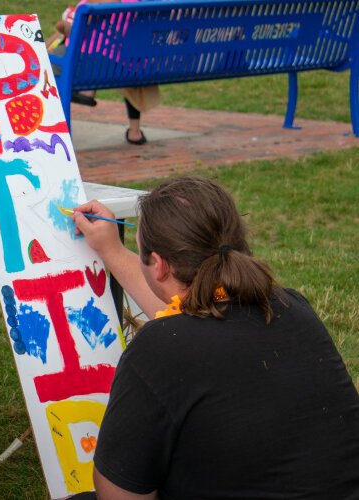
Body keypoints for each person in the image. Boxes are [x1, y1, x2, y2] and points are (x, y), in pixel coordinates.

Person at [73, 176, 359, 499]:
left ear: (160, 266)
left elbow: (119, 492)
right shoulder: (291, 306)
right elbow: (188, 321)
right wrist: (111, 249)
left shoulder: (157, 351)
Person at [50, 0, 160, 145]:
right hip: (130, 66)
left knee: (47, 63)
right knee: (119, 61)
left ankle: (54, 127)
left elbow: (77, 35)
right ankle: (135, 131)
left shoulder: (88, 5)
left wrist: (64, 28)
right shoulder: (142, 4)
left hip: (95, 65)